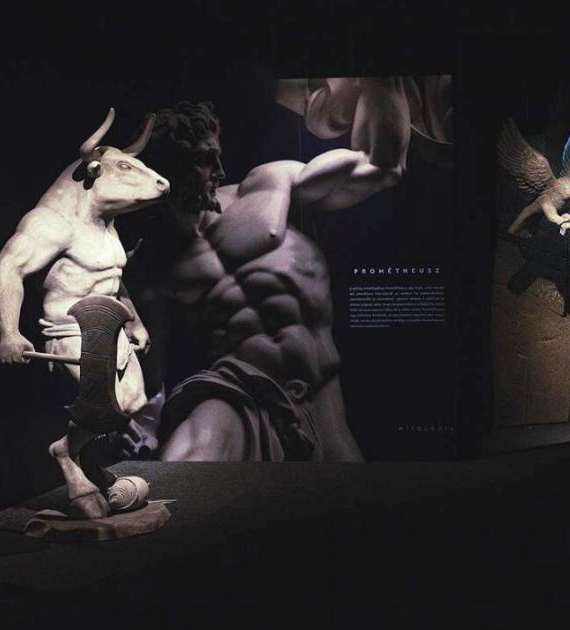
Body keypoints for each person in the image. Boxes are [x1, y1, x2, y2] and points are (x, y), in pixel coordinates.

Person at [128, 78, 417, 462]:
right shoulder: (150, 266)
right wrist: (139, 431)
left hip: (321, 391)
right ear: (165, 169)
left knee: (349, 490)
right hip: (239, 390)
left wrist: (381, 78)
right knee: (188, 460)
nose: (219, 169)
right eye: (203, 160)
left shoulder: (268, 186)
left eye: (216, 155)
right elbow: (151, 377)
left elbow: (380, 165)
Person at [0, 110, 167, 516]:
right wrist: (9, 332)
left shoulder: (106, 226)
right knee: (108, 405)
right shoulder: (52, 223)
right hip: (71, 332)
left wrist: (135, 321)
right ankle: (67, 457)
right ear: (93, 172)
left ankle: (83, 462)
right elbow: (6, 269)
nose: (155, 181)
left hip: (112, 331)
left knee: (134, 401)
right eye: (124, 168)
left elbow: (114, 280)